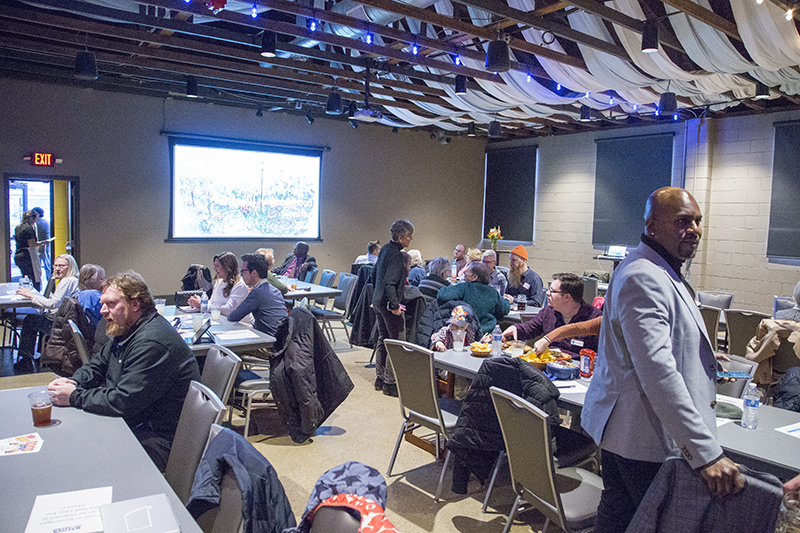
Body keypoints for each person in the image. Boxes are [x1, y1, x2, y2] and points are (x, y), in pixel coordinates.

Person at [581, 187, 744, 533]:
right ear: (652, 226)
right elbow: (657, 372)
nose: (694, 229)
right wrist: (706, 454)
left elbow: (652, 344)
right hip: (642, 440)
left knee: (618, 518)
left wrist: (696, 351)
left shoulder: (659, 268)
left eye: (698, 221)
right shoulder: (644, 275)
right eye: (683, 221)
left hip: (628, 435)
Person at [47, 271, 200, 471]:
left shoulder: (151, 342)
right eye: (103, 303)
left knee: (78, 462)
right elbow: (96, 365)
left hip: (159, 439)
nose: (102, 310)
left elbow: (123, 401)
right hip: (135, 423)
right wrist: (74, 383)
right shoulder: (127, 329)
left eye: (110, 304)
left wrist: (74, 396)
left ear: (135, 304)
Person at [503, 273, 602, 356]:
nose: (547, 293)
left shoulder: (594, 318)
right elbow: (532, 327)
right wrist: (516, 328)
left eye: (552, 291)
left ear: (567, 297)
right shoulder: (548, 312)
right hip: (547, 365)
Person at [16, 254, 80, 370]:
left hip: (58, 324)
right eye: (55, 265)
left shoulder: (67, 281)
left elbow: (53, 304)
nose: (57, 268)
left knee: (30, 320)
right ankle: (42, 356)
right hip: (63, 321)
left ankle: (25, 360)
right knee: (39, 317)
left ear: (70, 267)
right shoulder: (72, 280)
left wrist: (31, 296)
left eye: (61, 266)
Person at [373, 219, 414, 397]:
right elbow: (390, 283)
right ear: (400, 237)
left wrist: (377, 298)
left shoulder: (384, 250)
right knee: (397, 342)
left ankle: (380, 378)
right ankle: (390, 383)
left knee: (383, 339)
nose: (411, 239)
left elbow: (375, 274)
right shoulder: (398, 255)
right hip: (389, 305)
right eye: (409, 236)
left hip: (378, 301)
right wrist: (395, 305)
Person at [437, 262, 510, 335]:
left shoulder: (464, 287)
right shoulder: (493, 292)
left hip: (466, 333)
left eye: (467, 271)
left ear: (474, 277)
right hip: (487, 335)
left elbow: (442, 295)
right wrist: (507, 300)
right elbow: (504, 310)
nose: (464, 272)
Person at [228, 253, 287, 335]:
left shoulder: (257, 292)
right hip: (281, 338)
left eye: (243, 271)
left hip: (268, 342)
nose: (241, 275)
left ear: (254, 273)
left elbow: (233, 317)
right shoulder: (275, 290)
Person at [14, 210, 49, 291]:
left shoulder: (18, 227)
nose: (36, 221)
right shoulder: (29, 229)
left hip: (18, 255)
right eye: (35, 219)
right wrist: (43, 243)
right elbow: (32, 244)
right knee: (33, 277)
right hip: (27, 255)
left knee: (25, 277)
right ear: (31, 218)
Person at [32, 206, 51, 280]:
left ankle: (38, 283)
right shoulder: (46, 221)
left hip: (38, 246)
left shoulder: (37, 223)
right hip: (45, 246)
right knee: (47, 265)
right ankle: (50, 283)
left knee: (37, 266)